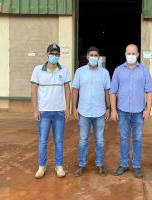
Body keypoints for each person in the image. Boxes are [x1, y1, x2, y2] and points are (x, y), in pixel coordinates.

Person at [110, 44, 152, 178]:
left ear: (138, 54)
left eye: (133, 53)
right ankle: (123, 164)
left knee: (137, 139)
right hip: (122, 111)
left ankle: (136, 165)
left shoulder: (144, 71)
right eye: (129, 53)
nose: (131, 56)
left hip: (138, 112)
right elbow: (112, 92)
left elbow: (149, 92)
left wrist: (148, 109)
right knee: (123, 139)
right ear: (125, 54)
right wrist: (113, 110)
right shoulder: (118, 70)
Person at [31, 43, 71, 178]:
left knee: (59, 140)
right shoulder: (37, 70)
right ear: (47, 54)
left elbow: (67, 89)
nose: (54, 56)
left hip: (59, 111)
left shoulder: (64, 70)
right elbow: (34, 90)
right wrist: (35, 110)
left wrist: (68, 108)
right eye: (52, 53)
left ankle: (59, 166)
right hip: (43, 112)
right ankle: (41, 166)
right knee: (43, 140)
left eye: (57, 54)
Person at [72, 46, 111, 177]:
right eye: (91, 55)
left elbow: (107, 91)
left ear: (98, 58)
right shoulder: (80, 72)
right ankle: (81, 165)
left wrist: (108, 108)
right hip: (84, 112)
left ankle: (100, 165)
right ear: (87, 57)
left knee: (99, 140)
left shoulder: (104, 73)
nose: (94, 57)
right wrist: (74, 108)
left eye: (96, 55)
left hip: (100, 112)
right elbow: (75, 90)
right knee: (83, 140)